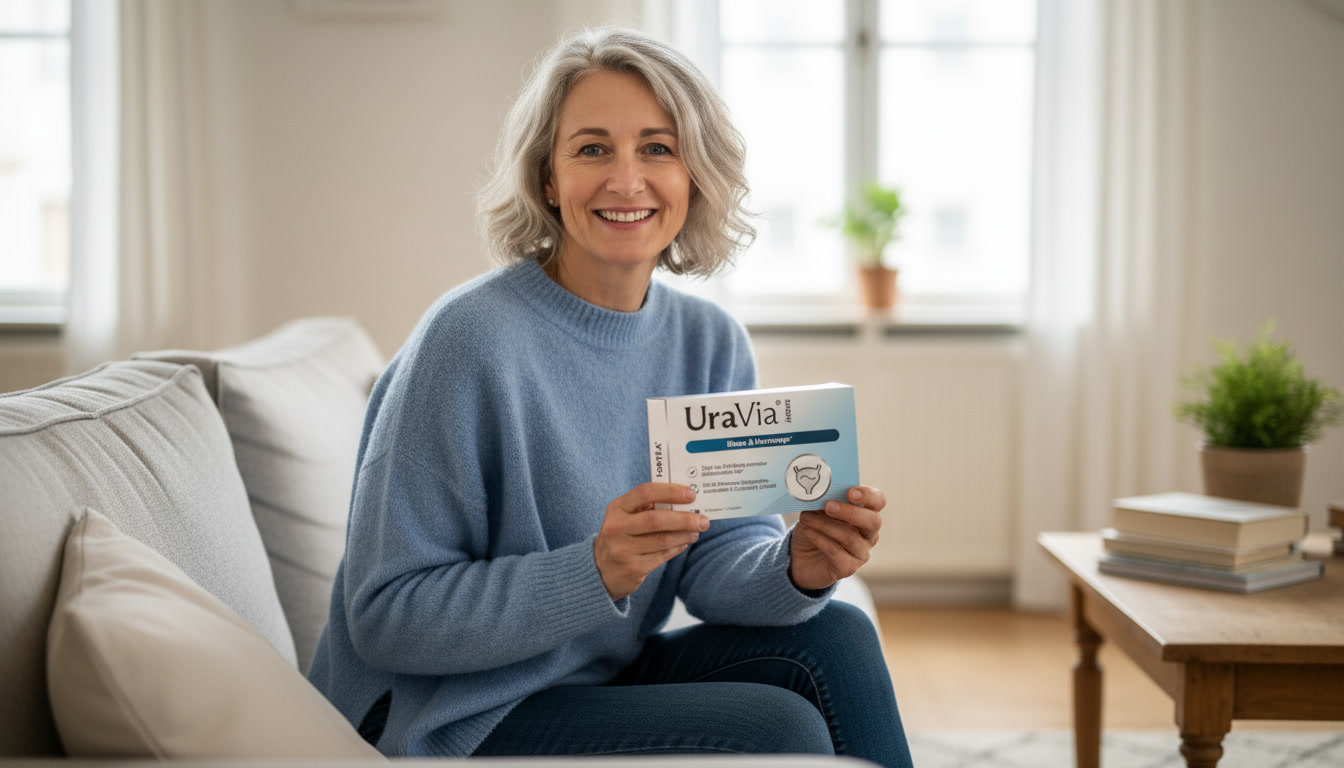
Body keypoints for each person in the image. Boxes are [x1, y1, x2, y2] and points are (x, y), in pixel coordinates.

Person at [307, 26, 913, 768]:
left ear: (694, 175)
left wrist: (797, 565)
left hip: (599, 676)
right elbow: (387, 619)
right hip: (456, 713)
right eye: (592, 149)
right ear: (549, 178)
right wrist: (593, 570)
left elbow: (715, 557)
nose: (626, 181)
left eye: (657, 148)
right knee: (780, 731)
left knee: (838, 633)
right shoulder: (467, 341)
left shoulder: (710, 341)